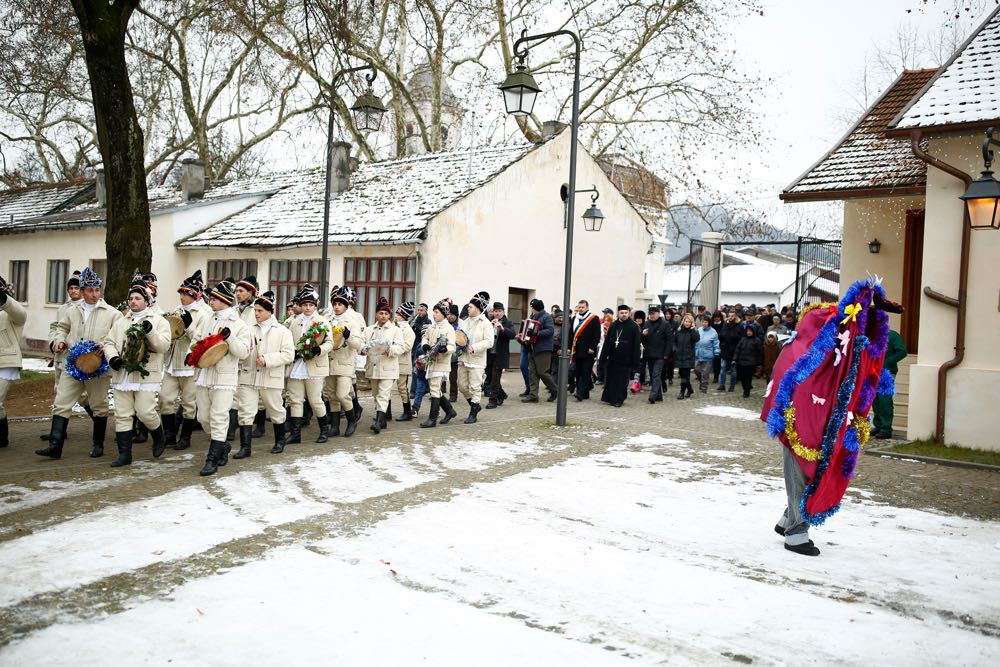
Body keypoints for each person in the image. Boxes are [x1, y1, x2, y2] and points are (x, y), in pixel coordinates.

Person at [37, 267, 121, 460]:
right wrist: (58, 341)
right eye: (90, 290)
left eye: (97, 290)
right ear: (82, 291)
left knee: (99, 405)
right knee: (61, 402)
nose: (94, 294)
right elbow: (62, 328)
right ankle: (55, 446)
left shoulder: (112, 313)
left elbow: (118, 335)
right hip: (73, 365)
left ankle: (98, 445)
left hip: (98, 368)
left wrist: (106, 345)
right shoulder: (72, 311)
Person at [103, 279, 172, 466]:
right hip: (122, 374)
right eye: (131, 298)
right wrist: (112, 358)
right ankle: (125, 455)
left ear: (147, 301)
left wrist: (150, 332)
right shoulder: (121, 321)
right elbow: (108, 342)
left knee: (145, 411)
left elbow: (163, 346)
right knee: (122, 414)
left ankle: (159, 437)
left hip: (146, 375)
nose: (133, 301)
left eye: (137, 298)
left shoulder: (159, 321)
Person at [191, 280, 252, 476]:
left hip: (224, 378)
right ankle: (223, 445)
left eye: (214, 298)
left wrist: (230, 338)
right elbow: (196, 339)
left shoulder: (240, 325)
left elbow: (244, 352)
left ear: (224, 300)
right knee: (203, 417)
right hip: (204, 374)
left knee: (218, 416)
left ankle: (212, 459)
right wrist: (191, 353)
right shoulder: (207, 319)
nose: (210, 300)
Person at [236, 291, 294, 457]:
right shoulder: (247, 329)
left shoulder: (283, 331)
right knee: (245, 411)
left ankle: (280, 441)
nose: (256, 313)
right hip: (249, 375)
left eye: (260, 311)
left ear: (270, 312)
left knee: (276, 410)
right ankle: (245, 447)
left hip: (271, 377)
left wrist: (268, 359)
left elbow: (289, 354)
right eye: (255, 310)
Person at [160, 270, 210, 451]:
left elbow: (200, 339)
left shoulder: (203, 314)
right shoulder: (176, 310)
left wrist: (188, 325)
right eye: (180, 293)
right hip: (173, 362)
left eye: (185, 294)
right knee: (165, 398)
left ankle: (185, 437)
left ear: (194, 296)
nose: (182, 297)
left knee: (189, 403)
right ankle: (169, 434)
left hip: (189, 365)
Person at [286, 283, 335, 444]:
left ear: (315, 306)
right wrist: (293, 352)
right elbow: (289, 341)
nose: (307, 308)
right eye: (305, 305)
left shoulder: (322, 321)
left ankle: (324, 431)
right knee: (295, 399)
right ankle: (295, 433)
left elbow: (330, 343)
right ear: (300, 305)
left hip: (314, 365)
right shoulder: (294, 322)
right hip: (297, 364)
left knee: (315, 399)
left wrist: (318, 350)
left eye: (310, 305)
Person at [39, 271, 83, 442]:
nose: (73, 291)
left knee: (84, 397)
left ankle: (98, 420)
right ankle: (58, 432)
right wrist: (54, 342)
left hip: (77, 357)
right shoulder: (63, 308)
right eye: (70, 288)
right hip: (60, 356)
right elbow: (55, 327)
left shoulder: (84, 308)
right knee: (59, 391)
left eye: (76, 288)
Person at [362, 297, 404, 433]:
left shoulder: (395, 330)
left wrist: (390, 350)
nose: (383, 316)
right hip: (373, 368)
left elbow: (401, 347)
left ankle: (378, 422)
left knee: (383, 394)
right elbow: (362, 345)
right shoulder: (369, 330)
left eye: (386, 313)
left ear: (389, 315)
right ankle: (383, 420)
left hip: (389, 368)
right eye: (381, 313)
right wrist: (364, 349)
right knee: (375, 394)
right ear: (376, 314)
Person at [326, 286, 364, 437]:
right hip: (329, 362)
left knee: (343, 394)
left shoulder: (352, 320)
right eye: (335, 304)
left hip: (345, 363)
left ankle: (351, 421)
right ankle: (335, 427)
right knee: (331, 395)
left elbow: (358, 345)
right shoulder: (327, 320)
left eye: (340, 304)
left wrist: (348, 336)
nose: (336, 307)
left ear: (346, 306)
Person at [456, 292, 495, 423]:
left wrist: (474, 347)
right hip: (463, 359)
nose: (468, 308)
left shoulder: (485, 323)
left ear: (477, 308)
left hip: (476, 360)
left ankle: (473, 413)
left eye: (471, 306)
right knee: (461, 386)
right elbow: (460, 337)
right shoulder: (465, 322)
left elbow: (490, 341)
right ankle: (476, 406)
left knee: (475, 387)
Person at [419, 301, 458, 427]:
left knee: (435, 389)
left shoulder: (449, 328)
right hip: (431, 362)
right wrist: (424, 344)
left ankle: (432, 419)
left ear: (443, 314)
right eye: (433, 312)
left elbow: (453, 346)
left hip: (442, 363)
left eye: (436, 312)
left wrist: (445, 349)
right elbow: (425, 337)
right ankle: (450, 411)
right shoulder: (432, 327)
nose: (434, 315)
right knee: (434, 388)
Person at [0, 275, 27, 449]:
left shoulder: (11, 313)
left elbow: (20, 314)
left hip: (6, 362)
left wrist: (3, 299)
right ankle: (2, 438)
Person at [599, 304, 641, 407]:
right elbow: (607, 342)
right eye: (622, 313)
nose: (624, 315)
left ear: (629, 313)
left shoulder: (634, 326)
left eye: (626, 313)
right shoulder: (614, 325)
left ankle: (619, 399)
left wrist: (635, 362)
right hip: (613, 358)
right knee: (612, 379)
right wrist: (603, 357)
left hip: (626, 359)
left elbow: (636, 345)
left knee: (622, 381)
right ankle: (610, 397)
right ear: (618, 314)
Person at [519, 299, 557, 403]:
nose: (531, 310)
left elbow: (550, 331)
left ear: (536, 308)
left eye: (532, 308)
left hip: (543, 349)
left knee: (542, 372)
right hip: (532, 348)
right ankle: (533, 396)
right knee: (532, 373)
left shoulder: (547, 317)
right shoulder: (533, 317)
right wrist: (523, 336)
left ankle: (555, 390)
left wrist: (536, 333)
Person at [874, 329, 907, 439]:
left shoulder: (893, 335)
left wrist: (887, 362)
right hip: (873, 371)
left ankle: (886, 428)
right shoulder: (872, 335)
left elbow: (902, 352)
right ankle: (878, 425)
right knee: (875, 400)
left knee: (884, 400)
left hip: (887, 372)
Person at [485, 302, 516, 409]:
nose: (497, 313)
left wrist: (502, 328)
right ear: (493, 312)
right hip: (489, 355)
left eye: (499, 311)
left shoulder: (508, 322)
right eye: (496, 311)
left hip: (500, 355)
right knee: (489, 378)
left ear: (503, 312)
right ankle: (502, 395)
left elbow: (512, 335)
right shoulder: (489, 322)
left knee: (495, 379)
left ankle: (492, 401)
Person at [570, 300, 601, 402]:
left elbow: (597, 335)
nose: (581, 309)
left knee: (586, 371)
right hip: (577, 350)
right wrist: (569, 348)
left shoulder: (593, 318)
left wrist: (592, 347)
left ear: (587, 308)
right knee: (578, 372)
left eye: (583, 307)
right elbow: (571, 334)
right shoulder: (574, 318)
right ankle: (585, 393)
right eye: (579, 307)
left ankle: (580, 393)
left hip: (588, 351)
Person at [392, 302, 417, 421]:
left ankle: (407, 411)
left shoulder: (408, 331)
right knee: (388, 388)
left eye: (398, 313)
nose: (395, 315)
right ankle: (386, 412)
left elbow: (407, 347)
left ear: (403, 315)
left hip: (402, 364)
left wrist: (393, 346)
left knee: (402, 388)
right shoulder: (393, 326)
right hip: (391, 362)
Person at [641, 305, 669, 403]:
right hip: (649, 354)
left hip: (660, 355)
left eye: (653, 314)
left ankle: (652, 396)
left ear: (658, 314)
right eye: (650, 314)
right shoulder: (647, 323)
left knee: (656, 375)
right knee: (653, 374)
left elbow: (669, 340)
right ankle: (659, 395)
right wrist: (643, 335)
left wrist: (666, 353)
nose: (651, 316)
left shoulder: (665, 324)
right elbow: (642, 340)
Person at [672, 313, 699, 400]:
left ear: (692, 323)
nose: (687, 323)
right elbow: (674, 341)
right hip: (679, 356)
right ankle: (690, 389)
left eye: (689, 322)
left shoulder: (693, 331)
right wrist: (674, 349)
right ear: (683, 322)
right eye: (686, 321)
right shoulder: (679, 331)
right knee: (681, 374)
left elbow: (697, 338)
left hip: (688, 357)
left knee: (685, 376)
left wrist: (693, 329)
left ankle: (682, 392)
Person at [734, 323, 763, 397]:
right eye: (747, 331)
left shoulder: (757, 340)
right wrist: (735, 359)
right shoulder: (743, 339)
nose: (748, 332)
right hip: (741, 361)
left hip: (751, 363)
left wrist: (758, 363)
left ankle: (746, 391)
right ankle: (747, 387)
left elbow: (759, 352)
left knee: (748, 377)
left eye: (750, 331)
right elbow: (737, 349)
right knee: (742, 377)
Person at [717, 308, 742, 392]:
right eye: (729, 316)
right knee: (723, 368)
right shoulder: (725, 325)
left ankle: (732, 386)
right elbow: (720, 335)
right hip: (724, 349)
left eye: (732, 316)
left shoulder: (739, 325)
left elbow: (739, 337)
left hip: (734, 350)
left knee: (733, 369)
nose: (730, 317)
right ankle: (722, 385)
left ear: (735, 316)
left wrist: (731, 333)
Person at [694, 314, 720, 393]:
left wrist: (716, 352)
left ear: (709, 323)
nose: (704, 323)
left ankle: (704, 388)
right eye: (703, 322)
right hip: (698, 354)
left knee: (705, 373)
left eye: (706, 322)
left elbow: (716, 343)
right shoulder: (699, 330)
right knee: (696, 370)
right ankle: (701, 382)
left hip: (708, 355)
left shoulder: (713, 332)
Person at [594, 307, 613, 385]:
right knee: (600, 363)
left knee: (607, 364)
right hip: (601, 346)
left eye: (607, 320)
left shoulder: (613, 326)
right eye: (604, 313)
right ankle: (600, 378)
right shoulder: (601, 326)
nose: (605, 321)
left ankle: (607, 380)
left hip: (609, 348)